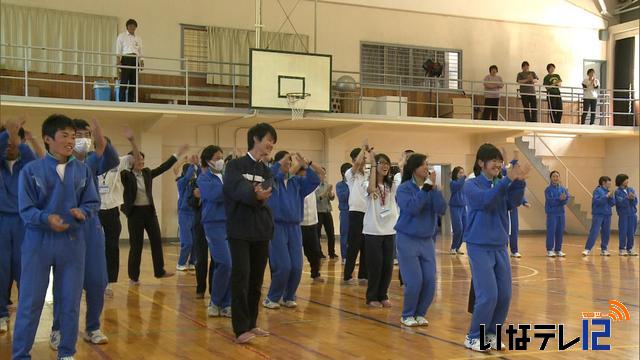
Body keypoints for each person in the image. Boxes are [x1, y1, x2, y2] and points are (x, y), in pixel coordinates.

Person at [12, 114, 100, 359]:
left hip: (72, 244)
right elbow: (26, 209)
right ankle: (20, 354)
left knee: (70, 303)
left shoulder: (82, 170)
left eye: (73, 136)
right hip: (38, 243)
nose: (71, 141)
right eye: (65, 136)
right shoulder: (31, 170)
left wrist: (82, 212)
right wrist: (45, 218)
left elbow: (93, 203)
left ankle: (66, 352)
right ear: (48, 139)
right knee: (30, 303)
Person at [50, 118, 119, 350]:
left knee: (98, 281)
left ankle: (93, 327)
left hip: (91, 226)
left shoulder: (91, 162)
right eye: (77, 134)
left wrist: (98, 131)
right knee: (65, 284)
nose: (81, 139)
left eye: (85, 135)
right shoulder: (58, 165)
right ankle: (58, 330)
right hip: (66, 227)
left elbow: (107, 154)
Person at [463, 143, 528, 352]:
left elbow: (513, 202)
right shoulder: (471, 185)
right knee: (488, 294)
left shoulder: (500, 183)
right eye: (493, 160)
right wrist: (507, 180)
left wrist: (519, 182)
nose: (498, 164)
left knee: (505, 294)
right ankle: (473, 336)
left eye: (500, 161)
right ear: (481, 163)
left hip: (500, 245)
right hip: (479, 245)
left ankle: (490, 333)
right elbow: (486, 201)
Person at [223, 123, 276, 344]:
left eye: (273, 141)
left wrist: (257, 195)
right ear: (255, 139)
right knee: (241, 276)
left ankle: (252, 323)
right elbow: (237, 191)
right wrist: (255, 195)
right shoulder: (235, 166)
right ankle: (240, 328)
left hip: (260, 231)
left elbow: (268, 191)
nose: (271, 144)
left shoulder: (266, 170)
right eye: (269, 139)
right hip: (239, 230)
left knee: (256, 279)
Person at [261, 151, 321, 309]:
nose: (289, 163)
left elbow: (315, 181)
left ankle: (288, 296)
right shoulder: (273, 180)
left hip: (294, 227)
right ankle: (272, 297)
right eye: (285, 161)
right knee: (283, 265)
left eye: (290, 161)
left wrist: (306, 165)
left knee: (296, 265)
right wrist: (277, 163)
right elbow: (269, 176)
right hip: (277, 227)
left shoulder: (297, 182)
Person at [121, 145, 188, 283]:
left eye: (143, 160)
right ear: (131, 161)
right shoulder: (125, 175)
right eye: (138, 160)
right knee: (136, 246)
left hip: (149, 212)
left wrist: (177, 155)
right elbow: (119, 169)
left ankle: (159, 271)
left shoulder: (147, 173)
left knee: (157, 241)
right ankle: (133, 277)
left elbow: (163, 167)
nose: (142, 162)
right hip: (134, 214)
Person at [395, 153, 446, 326]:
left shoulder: (430, 188)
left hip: (426, 240)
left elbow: (441, 209)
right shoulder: (403, 189)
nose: (427, 167)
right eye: (424, 164)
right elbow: (413, 208)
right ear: (414, 168)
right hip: (407, 238)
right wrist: (425, 189)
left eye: (428, 164)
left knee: (430, 281)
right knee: (415, 281)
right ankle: (407, 314)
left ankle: (420, 313)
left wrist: (435, 190)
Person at [0, 118, 37, 334]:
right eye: (6, 143)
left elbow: (31, 155)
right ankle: (2, 314)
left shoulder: (26, 164)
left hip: (23, 222)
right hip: (2, 221)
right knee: (1, 268)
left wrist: (15, 136)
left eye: (14, 143)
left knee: (24, 268)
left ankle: (26, 313)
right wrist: (7, 132)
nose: (10, 147)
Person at [98, 127, 138, 295]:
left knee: (112, 246)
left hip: (112, 209)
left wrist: (132, 141)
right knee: (92, 246)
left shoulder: (117, 162)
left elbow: (135, 158)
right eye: (100, 145)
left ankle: (108, 282)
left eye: (106, 146)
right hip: (94, 210)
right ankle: (90, 280)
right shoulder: (88, 162)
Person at [197, 145, 232, 317]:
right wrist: (232, 188)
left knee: (232, 264)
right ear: (208, 160)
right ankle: (215, 301)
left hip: (231, 224)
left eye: (222, 157)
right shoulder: (204, 178)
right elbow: (214, 195)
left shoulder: (226, 177)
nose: (220, 161)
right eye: (217, 157)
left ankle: (227, 303)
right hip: (214, 224)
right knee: (224, 262)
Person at [363, 151, 399, 308]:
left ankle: (383, 294)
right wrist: (371, 165)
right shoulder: (367, 183)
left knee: (387, 266)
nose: (385, 166)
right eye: (382, 163)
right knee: (375, 266)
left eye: (387, 163)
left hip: (390, 230)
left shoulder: (391, 186)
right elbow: (371, 188)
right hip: (373, 231)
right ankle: (372, 297)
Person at [343, 145, 369, 284]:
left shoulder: (367, 173)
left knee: (366, 244)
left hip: (367, 212)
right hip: (356, 212)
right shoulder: (350, 173)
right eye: (362, 158)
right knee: (354, 244)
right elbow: (358, 163)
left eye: (365, 158)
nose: (364, 160)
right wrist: (363, 150)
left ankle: (363, 275)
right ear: (354, 159)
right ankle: (348, 275)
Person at [176, 156, 200, 271]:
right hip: (184, 214)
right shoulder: (181, 183)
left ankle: (192, 262)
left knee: (196, 241)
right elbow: (186, 178)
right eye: (191, 171)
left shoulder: (196, 183)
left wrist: (199, 165)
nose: (193, 174)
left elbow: (202, 176)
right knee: (187, 242)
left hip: (195, 213)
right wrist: (192, 165)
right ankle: (181, 263)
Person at [583, 176, 616, 256]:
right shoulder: (597, 191)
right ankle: (587, 249)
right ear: (603, 182)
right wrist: (606, 196)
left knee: (606, 232)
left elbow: (612, 203)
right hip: (598, 214)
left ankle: (604, 249)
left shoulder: (609, 191)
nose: (610, 183)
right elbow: (597, 201)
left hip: (607, 214)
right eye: (609, 182)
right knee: (594, 231)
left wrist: (611, 197)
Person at [116, 19, 144, 102]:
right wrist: (118, 60)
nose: (132, 27)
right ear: (127, 27)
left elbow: (141, 51)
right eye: (130, 26)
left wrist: (142, 62)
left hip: (135, 59)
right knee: (124, 81)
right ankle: (121, 101)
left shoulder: (138, 38)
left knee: (133, 82)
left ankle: (131, 101)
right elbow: (118, 49)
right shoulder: (122, 36)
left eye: (134, 26)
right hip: (126, 58)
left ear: (136, 27)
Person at [544, 171, 569, 257]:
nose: (556, 178)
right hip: (552, 214)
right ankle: (550, 250)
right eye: (554, 176)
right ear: (551, 178)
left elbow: (566, 199)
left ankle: (558, 250)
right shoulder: (548, 190)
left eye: (557, 176)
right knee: (551, 231)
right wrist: (560, 199)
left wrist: (564, 199)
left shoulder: (563, 189)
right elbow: (551, 201)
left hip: (561, 213)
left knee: (560, 231)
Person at [316, 168, 338, 259]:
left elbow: (332, 198)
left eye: (324, 174)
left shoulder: (327, 185)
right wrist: (326, 192)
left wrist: (330, 193)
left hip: (327, 211)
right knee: (317, 235)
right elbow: (318, 198)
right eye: (321, 174)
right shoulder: (314, 186)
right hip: (318, 212)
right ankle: (319, 253)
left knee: (331, 234)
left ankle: (332, 252)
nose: (323, 176)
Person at [614, 174, 638, 256]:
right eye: (625, 180)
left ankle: (630, 249)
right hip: (623, 215)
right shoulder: (617, 192)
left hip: (632, 214)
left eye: (627, 179)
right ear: (621, 181)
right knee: (623, 231)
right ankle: (622, 249)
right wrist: (627, 198)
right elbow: (620, 203)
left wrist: (633, 198)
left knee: (631, 232)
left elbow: (635, 202)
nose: (627, 181)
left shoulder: (631, 189)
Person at [336, 163, 352, 263]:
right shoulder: (340, 185)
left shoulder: (355, 183)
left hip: (355, 212)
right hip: (345, 211)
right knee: (344, 234)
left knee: (354, 236)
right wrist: (350, 186)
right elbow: (342, 197)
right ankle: (345, 257)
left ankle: (352, 256)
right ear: (343, 173)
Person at [449, 166, 466, 255]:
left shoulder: (463, 183)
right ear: (456, 174)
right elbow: (458, 186)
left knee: (465, 229)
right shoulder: (453, 183)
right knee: (458, 229)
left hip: (463, 207)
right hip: (455, 207)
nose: (462, 174)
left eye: (463, 172)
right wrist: (464, 178)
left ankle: (457, 247)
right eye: (460, 173)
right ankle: (453, 247)